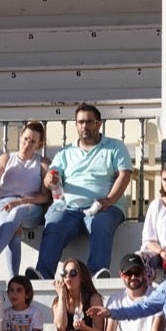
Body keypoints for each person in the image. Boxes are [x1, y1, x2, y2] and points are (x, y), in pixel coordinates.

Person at [31, 102, 133, 279]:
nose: (84, 126)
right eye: (80, 122)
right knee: (54, 224)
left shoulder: (115, 147)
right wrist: (50, 179)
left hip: (104, 208)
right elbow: (51, 177)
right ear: (75, 124)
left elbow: (124, 176)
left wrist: (108, 200)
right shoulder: (65, 152)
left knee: (100, 224)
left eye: (89, 122)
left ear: (98, 124)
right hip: (68, 209)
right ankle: (42, 274)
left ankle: (96, 273)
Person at [0, 120, 51, 276]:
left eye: (32, 142)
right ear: (20, 137)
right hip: (4, 203)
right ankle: (14, 279)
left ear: (39, 145)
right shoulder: (6, 159)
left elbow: (45, 197)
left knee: (17, 212)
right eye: (26, 139)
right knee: (15, 232)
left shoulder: (42, 163)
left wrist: (21, 201)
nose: (27, 144)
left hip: (30, 206)